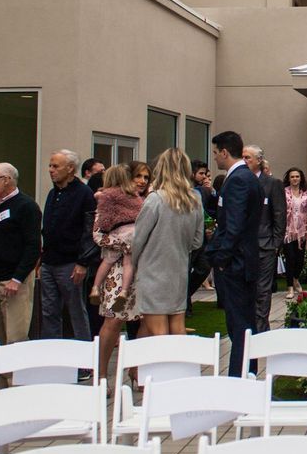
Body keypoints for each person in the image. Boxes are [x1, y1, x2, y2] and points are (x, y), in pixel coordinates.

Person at [131, 147, 205, 339]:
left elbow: (138, 239)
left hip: (153, 270)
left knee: (158, 331)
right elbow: (198, 241)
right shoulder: (195, 201)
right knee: (176, 326)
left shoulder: (155, 199)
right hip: (179, 269)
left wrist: (134, 264)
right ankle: (140, 361)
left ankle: (158, 360)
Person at [205, 131, 262, 376]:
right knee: (243, 323)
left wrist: (221, 259)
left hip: (236, 263)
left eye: (216, 153)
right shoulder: (245, 177)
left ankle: (239, 377)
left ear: (225, 152)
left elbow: (234, 225)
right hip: (241, 259)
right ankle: (247, 373)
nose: (214, 158)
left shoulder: (239, 179)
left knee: (239, 325)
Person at [0, 162, 41, 348]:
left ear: (6, 180)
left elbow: (33, 247)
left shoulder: (27, 206)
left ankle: (16, 370)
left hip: (15, 281)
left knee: (15, 337)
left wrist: (17, 278)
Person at [92, 163, 143, 383]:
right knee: (112, 321)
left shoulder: (141, 202)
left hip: (139, 268)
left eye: (144, 177)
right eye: (137, 177)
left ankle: (136, 370)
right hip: (115, 270)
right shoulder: (106, 202)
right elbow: (97, 235)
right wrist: (124, 244)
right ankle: (102, 374)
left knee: (142, 321)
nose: (140, 181)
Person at [39, 149, 96, 342]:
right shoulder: (53, 193)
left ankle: (84, 354)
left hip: (71, 263)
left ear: (70, 168)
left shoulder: (84, 194)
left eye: (56, 166)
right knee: (49, 311)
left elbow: (90, 230)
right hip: (49, 261)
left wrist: (83, 262)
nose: (51, 170)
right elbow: (48, 227)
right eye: (50, 165)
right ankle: (53, 353)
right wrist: (42, 259)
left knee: (76, 311)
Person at [244, 145, 286, 332]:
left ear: (259, 160)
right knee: (246, 290)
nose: (244, 161)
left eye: (248, 157)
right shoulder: (240, 181)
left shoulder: (272, 184)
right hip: (244, 246)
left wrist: (275, 243)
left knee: (262, 290)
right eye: (243, 157)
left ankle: (261, 331)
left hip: (265, 245)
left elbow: (279, 215)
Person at [281, 167, 307, 300]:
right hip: (288, 231)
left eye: (297, 176)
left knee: (300, 260)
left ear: (301, 178)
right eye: (292, 177)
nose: (295, 179)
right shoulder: (284, 192)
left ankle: (295, 279)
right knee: (290, 258)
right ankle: (290, 287)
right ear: (289, 179)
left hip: (302, 231)